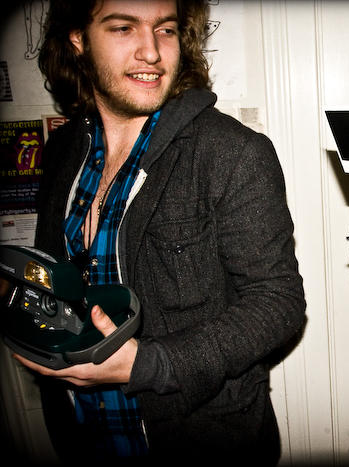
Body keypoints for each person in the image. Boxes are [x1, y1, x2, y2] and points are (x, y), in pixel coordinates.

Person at [8, 0, 305, 464]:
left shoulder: (230, 152)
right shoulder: (63, 148)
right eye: (123, 28)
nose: (151, 51)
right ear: (78, 39)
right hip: (84, 435)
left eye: (165, 30)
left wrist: (148, 365)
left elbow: (278, 304)